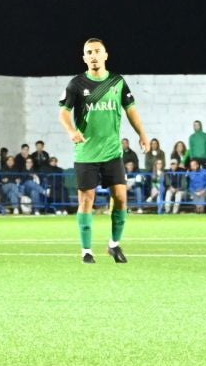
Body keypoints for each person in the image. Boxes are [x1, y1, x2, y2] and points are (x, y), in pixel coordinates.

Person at [58, 38, 148, 263]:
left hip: (112, 153)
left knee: (121, 198)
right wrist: (71, 131)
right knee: (86, 200)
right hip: (86, 154)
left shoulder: (117, 82)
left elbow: (131, 110)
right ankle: (86, 250)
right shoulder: (76, 84)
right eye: (89, 52)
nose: (94, 55)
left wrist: (142, 134)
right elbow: (63, 112)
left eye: (97, 51)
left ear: (106, 55)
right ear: (84, 57)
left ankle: (114, 245)